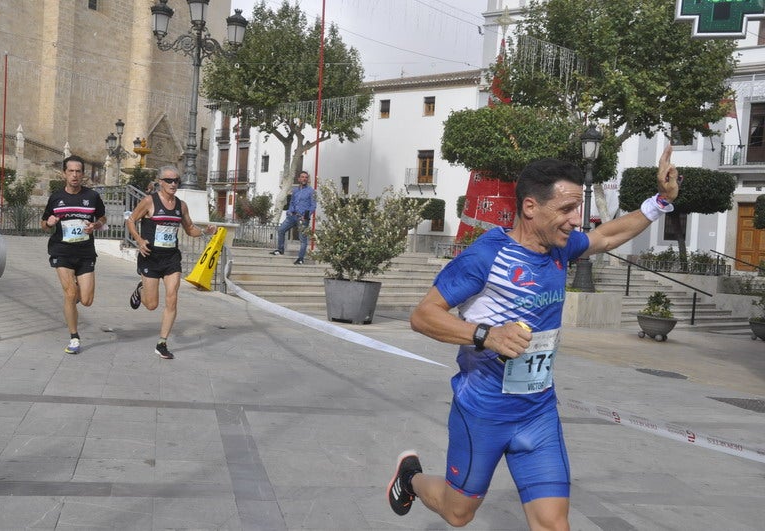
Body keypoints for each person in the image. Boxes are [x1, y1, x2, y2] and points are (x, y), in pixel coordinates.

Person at [388, 145, 681, 529]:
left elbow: (607, 237)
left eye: (577, 209)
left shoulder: (559, 249)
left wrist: (660, 201)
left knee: (553, 524)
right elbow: (423, 316)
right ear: (530, 207)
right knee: (458, 513)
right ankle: (410, 477)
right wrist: (486, 335)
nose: (576, 220)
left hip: (538, 412)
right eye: (566, 210)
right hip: (483, 412)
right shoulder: (486, 257)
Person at [125, 166, 216, 360]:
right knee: (151, 305)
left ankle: (162, 342)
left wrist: (204, 232)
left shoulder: (181, 206)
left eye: (176, 181)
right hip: (150, 256)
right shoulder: (149, 201)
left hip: (171, 258)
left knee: (172, 296)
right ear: (160, 181)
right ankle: (141, 290)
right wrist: (139, 240)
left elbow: (189, 228)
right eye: (169, 180)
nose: (173, 184)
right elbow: (131, 220)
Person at [42, 155, 107, 355]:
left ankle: (74, 296)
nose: (74, 175)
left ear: (83, 174)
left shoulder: (92, 196)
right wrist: (49, 224)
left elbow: (102, 218)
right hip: (61, 251)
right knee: (70, 293)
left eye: (78, 171)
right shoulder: (55, 197)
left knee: (86, 300)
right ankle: (74, 337)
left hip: (85, 252)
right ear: (64, 173)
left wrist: (96, 225)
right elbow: (44, 225)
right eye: (71, 171)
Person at [270, 170, 316, 265]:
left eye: (306, 177)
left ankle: (300, 259)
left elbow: (313, 206)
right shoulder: (295, 191)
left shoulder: (311, 191)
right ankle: (280, 249)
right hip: (292, 216)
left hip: (302, 219)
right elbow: (291, 202)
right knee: (281, 230)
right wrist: (289, 211)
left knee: (303, 239)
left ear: (307, 179)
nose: (304, 179)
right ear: (299, 179)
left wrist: (306, 217)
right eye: (302, 177)